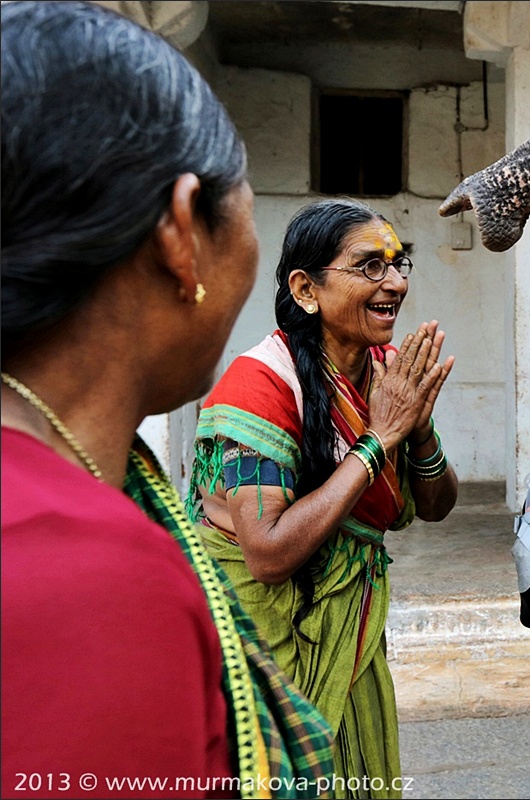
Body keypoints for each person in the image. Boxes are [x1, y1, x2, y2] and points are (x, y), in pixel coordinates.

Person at [0, 3, 334, 797]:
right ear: (183, 233)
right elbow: (271, 546)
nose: (390, 282)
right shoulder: (89, 581)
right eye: (249, 210)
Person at [188, 197, 458, 797]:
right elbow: (269, 554)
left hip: (351, 626)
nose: (393, 282)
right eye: (369, 266)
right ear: (306, 288)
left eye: (398, 263)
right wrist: (377, 440)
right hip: (265, 631)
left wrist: (416, 430)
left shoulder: (385, 373)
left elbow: (436, 505)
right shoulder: (257, 386)